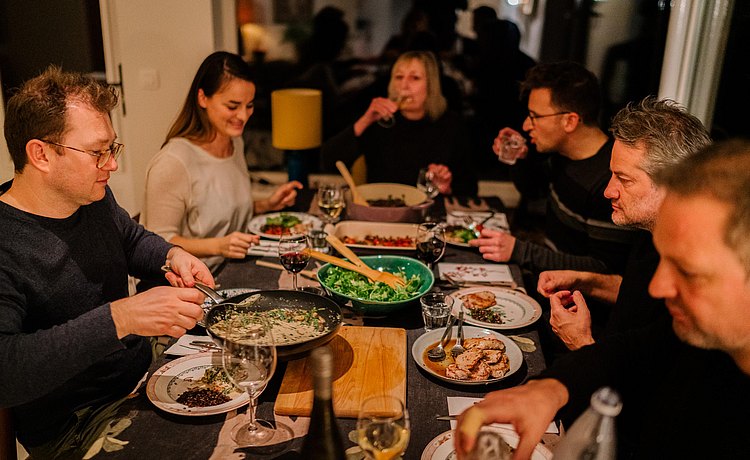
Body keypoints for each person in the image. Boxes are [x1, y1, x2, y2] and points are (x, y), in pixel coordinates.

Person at [456, 139, 750, 459]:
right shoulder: (706, 336)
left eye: (688, 271)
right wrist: (552, 387)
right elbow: (638, 348)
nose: (658, 287)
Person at [0, 66, 214, 458]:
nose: (111, 165)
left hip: (142, 371)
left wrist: (173, 255)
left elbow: (130, 240)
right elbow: (6, 370)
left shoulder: (92, 196)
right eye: (98, 152)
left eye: (112, 149)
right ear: (41, 154)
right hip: (77, 423)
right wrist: (122, 318)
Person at [537, 98, 711, 351]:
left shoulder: (701, 275)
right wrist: (584, 281)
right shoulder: (650, 229)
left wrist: (580, 343)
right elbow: (639, 296)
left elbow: (644, 386)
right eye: (612, 175)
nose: (608, 191)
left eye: (624, 179)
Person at [471, 62, 637, 274]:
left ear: (569, 121)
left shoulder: (609, 181)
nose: (526, 125)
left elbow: (602, 269)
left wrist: (520, 251)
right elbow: (534, 190)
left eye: (535, 116)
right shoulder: (563, 154)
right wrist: (520, 159)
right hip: (547, 274)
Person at [141, 52, 302, 271]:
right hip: (190, 281)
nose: (243, 116)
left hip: (230, 267)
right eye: (233, 106)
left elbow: (217, 215)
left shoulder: (235, 144)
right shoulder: (173, 162)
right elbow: (156, 243)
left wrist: (266, 205)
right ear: (202, 98)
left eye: (250, 105)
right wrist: (219, 246)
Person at [322, 50, 477, 196]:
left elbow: (469, 189)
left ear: (431, 86)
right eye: (399, 77)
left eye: (414, 78)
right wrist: (365, 121)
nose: (404, 86)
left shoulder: (452, 124)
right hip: (383, 209)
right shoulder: (380, 121)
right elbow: (327, 161)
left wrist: (446, 186)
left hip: (430, 213)